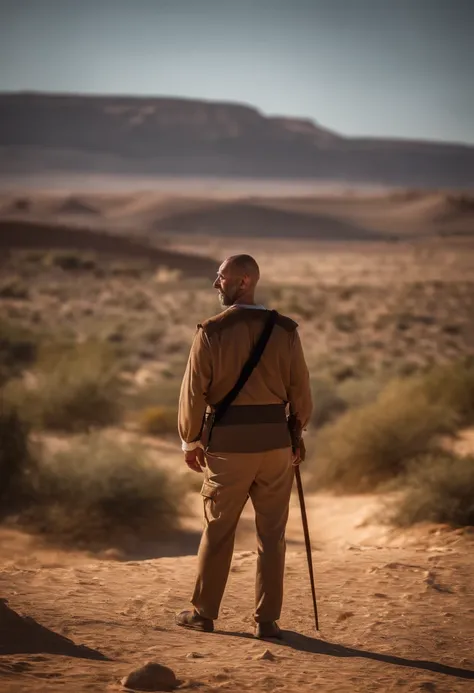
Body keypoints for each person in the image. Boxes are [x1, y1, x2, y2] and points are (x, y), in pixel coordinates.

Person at [176, 254, 312, 639]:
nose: (215, 284)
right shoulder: (285, 330)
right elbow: (301, 391)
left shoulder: (211, 332)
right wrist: (296, 434)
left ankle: (203, 613)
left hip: (228, 449)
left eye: (220, 277)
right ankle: (267, 622)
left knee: (219, 531)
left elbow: (192, 392)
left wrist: (190, 440)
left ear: (243, 281)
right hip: (275, 448)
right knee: (273, 535)